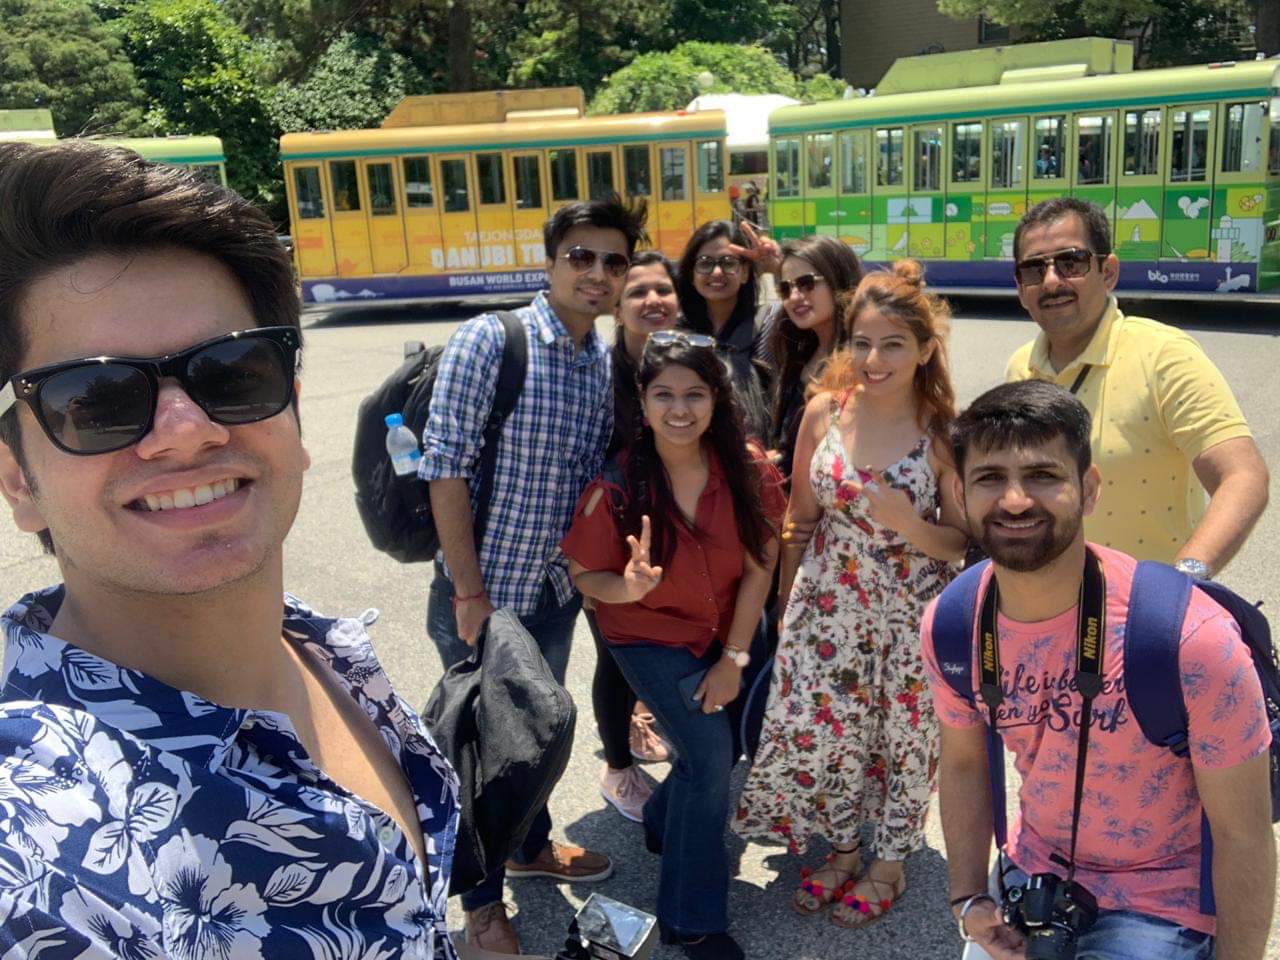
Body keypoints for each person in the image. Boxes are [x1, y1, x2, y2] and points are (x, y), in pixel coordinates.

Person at [0, 140, 460, 958]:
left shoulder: (325, 648)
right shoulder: (35, 861)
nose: (187, 430)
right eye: (96, 399)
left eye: (234, 372)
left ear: (293, 411)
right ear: (17, 478)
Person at [923, 379, 1276, 960]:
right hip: (1034, 871)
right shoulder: (954, 623)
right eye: (990, 478)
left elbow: (1244, 834)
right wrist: (968, 898)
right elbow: (962, 762)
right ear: (959, 494)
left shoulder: (1187, 638)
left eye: (1042, 475)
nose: (1015, 500)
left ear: (1089, 490)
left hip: (1163, 897)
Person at [422, 194, 647, 953]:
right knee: (483, 755)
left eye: (613, 260)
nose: (597, 272)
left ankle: (529, 847)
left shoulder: (599, 362)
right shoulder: (493, 340)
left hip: (552, 594)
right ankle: (482, 909)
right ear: (549, 263)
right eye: (580, 256)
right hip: (484, 595)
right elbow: (445, 469)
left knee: (535, 737)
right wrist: (468, 593)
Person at [734, 262, 968, 928]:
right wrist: (787, 607)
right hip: (828, 608)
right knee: (831, 733)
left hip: (910, 614)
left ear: (924, 349)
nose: (874, 359)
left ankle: (890, 862)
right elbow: (799, 521)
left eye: (893, 344)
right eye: (862, 342)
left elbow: (960, 540)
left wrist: (908, 523)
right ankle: (841, 849)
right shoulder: (825, 412)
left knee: (905, 739)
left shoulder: (941, 430)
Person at [562, 333, 785, 960]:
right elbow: (586, 577)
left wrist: (734, 659)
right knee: (711, 759)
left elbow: (761, 565)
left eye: (695, 394)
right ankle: (691, 921)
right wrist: (628, 587)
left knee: (717, 748)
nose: (679, 409)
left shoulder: (750, 470)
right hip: (648, 635)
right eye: (664, 395)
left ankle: (664, 821)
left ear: (717, 399)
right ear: (643, 401)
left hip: (725, 631)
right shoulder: (617, 485)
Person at [1005, 197, 1269, 577]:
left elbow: (1243, 476)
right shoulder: (1020, 369)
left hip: (1147, 606)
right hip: (1050, 602)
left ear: (1108, 272)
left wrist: (1182, 579)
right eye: (1034, 269)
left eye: (1071, 262)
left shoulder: (1163, 356)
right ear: (1020, 287)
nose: (1051, 281)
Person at [593, 251, 680, 823]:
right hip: (611, 534)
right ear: (617, 307)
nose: (652, 301)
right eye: (637, 292)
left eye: (663, 290)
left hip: (676, 531)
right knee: (614, 652)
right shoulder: (598, 375)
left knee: (660, 644)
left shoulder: (689, 360)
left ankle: (643, 721)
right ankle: (618, 769)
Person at [767, 234, 864, 480]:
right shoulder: (798, 352)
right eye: (785, 288)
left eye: (806, 283)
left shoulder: (862, 363)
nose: (794, 296)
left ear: (838, 280)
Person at [676, 220, 774, 441]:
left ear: (745, 272)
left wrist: (778, 267)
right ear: (691, 274)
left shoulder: (769, 324)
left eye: (728, 262)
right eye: (705, 263)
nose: (717, 272)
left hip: (758, 453)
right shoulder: (676, 334)